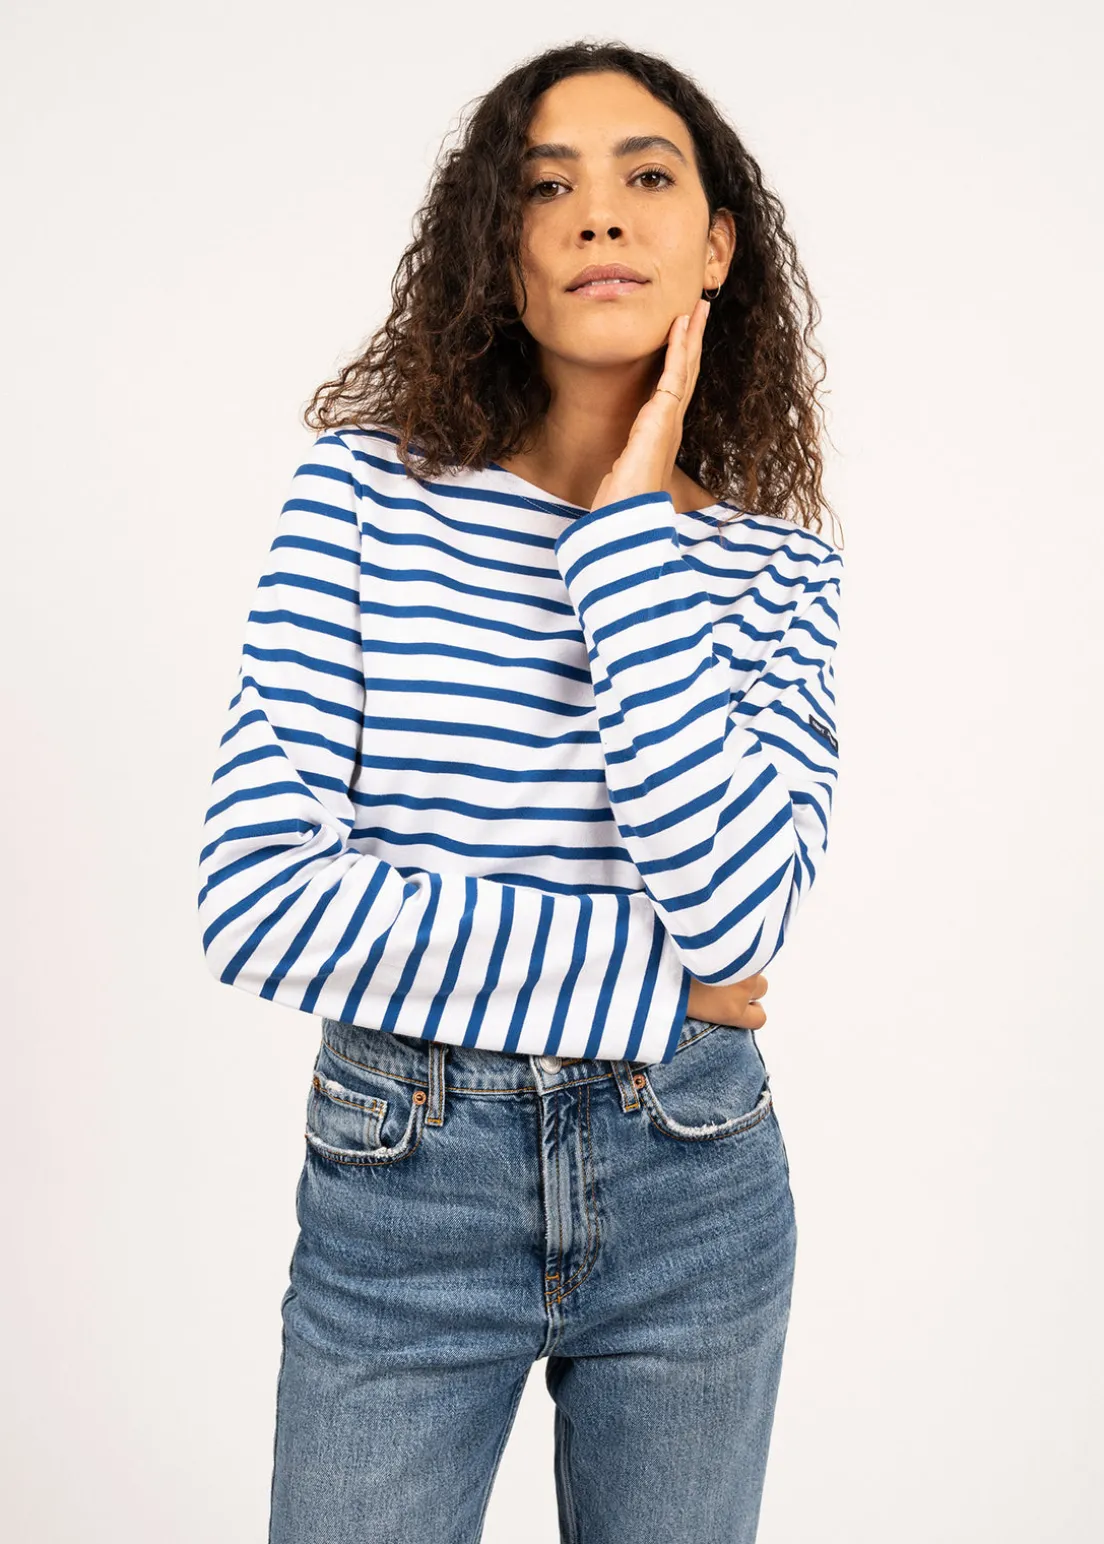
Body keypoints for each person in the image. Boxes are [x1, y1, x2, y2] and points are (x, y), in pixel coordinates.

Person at [197, 38, 844, 1544]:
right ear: (501, 246)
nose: (599, 213)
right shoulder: (361, 495)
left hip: (696, 1180)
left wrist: (627, 539)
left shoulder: (778, 572)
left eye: (646, 176)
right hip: (404, 1173)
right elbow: (258, 896)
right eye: (548, 186)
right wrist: (654, 984)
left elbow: (739, 917)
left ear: (717, 245)